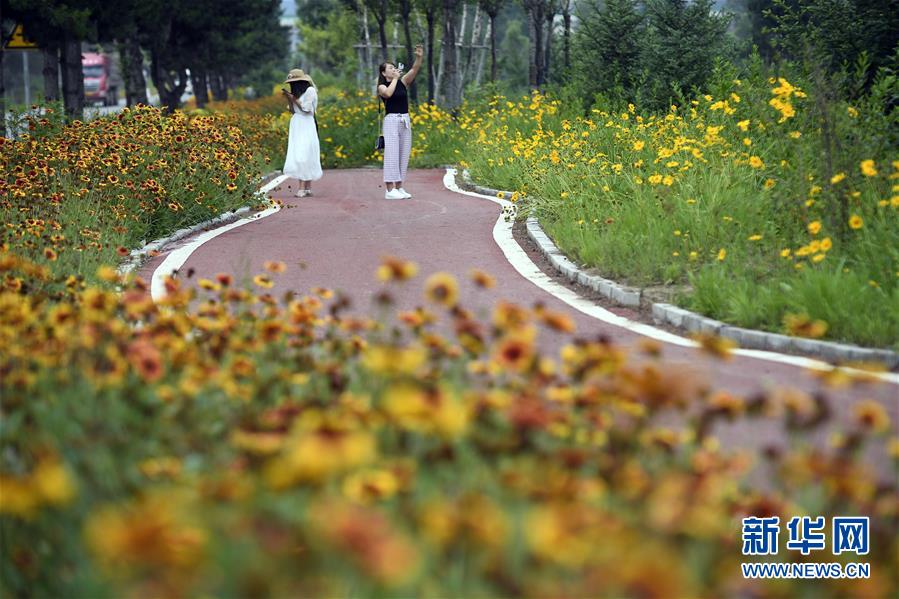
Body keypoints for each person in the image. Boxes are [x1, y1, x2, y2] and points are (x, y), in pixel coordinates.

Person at [377, 45, 423, 200]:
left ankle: (399, 186)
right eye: (390, 68)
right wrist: (395, 79)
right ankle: (389, 190)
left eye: (394, 67)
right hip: (391, 120)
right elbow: (388, 94)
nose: (393, 69)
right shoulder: (382, 86)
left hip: (405, 120)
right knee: (392, 154)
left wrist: (419, 57)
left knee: (404, 153)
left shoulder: (403, 82)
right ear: (384, 72)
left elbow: (414, 70)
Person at [282, 69, 322, 197]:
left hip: (306, 123)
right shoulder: (297, 93)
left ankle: (301, 188)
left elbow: (306, 109)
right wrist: (290, 99)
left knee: (304, 154)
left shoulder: (310, 91)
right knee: (300, 153)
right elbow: (293, 111)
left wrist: (293, 98)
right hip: (297, 124)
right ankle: (307, 188)